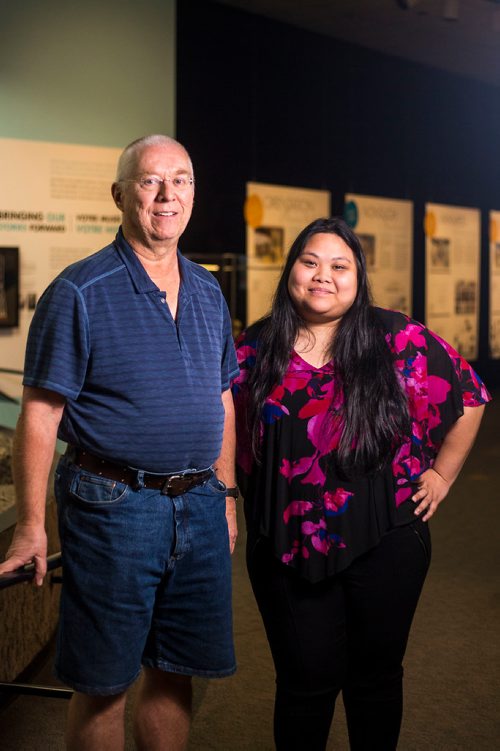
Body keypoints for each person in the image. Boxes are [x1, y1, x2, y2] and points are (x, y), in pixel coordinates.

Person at [0, 134, 239, 751]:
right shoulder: (79, 291)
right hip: (114, 505)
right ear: (119, 194)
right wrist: (31, 525)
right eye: (150, 180)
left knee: (175, 671)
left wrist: (227, 495)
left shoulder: (210, 291)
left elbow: (222, 399)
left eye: (181, 180)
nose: (167, 195)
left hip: (200, 503)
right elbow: (41, 414)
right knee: (104, 680)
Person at [232, 217, 490, 751]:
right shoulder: (255, 347)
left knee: (374, 680)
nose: (322, 276)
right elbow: (222, 426)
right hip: (284, 546)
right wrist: (230, 497)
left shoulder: (396, 338)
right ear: (291, 271)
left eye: (339, 266)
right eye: (310, 262)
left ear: (358, 276)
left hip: (389, 538)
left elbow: (469, 394)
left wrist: (442, 474)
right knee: (304, 684)